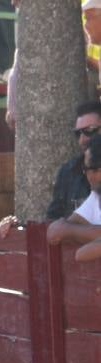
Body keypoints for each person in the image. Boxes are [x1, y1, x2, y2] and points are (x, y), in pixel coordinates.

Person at [46, 133, 101, 262]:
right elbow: (54, 232)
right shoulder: (96, 198)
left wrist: (70, 231)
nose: (87, 176)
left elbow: (82, 254)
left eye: (88, 169)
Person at [45, 101, 101, 221]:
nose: (82, 139)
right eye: (78, 133)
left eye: (90, 131)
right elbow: (53, 221)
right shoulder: (68, 171)